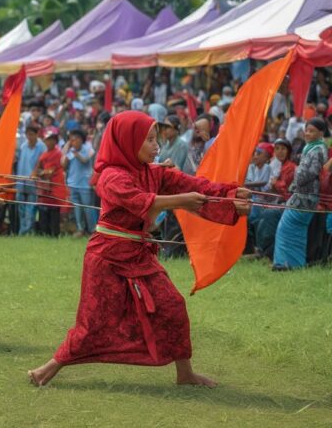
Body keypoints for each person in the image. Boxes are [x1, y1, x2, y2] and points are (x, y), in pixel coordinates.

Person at [27, 111, 251, 388]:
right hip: (106, 257)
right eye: (149, 139)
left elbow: (195, 185)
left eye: (156, 138)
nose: (156, 145)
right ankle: (47, 369)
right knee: (94, 322)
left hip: (138, 253)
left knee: (172, 305)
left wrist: (230, 194)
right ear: (127, 141)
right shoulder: (111, 177)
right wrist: (180, 201)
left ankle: (185, 375)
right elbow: (141, 201)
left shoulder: (152, 172)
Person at [273, 118, 329, 270]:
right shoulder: (313, 147)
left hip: (305, 195)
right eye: (307, 130)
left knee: (287, 227)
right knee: (296, 229)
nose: (308, 133)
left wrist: (297, 178)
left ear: (321, 133)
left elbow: (312, 172)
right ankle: (293, 264)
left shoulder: (318, 149)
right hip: (304, 194)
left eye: (312, 131)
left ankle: (286, 264)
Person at [62, 129, 96, 236]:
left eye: (74, 139)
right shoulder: (71, 151)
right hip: (73, 183)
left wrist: (76, 154)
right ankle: (80, 229)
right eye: (71, 140)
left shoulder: (88, 149)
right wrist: (66, 150)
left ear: (81, 139)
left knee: (88, 208)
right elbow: (63, 165)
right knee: (77, 208)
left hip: (85, 184)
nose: (72, 142)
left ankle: (92, 230)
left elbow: (85, 160)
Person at [34, 133, 68, 237]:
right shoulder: (44, 154)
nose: (48, 142)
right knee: (44, 211)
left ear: (55, 141)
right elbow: (38, 168)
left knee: (54, 210)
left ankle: (55, 234)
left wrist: (43, 173)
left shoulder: (58, 154)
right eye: (46, 140)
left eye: (50, 140)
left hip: (54, 186)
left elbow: (51, 170)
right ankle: (44, 233)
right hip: (44, 187)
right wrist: (38, 173)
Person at [16, 125, 46, 235]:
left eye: (32, 134)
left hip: (33, 182)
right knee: (21, 207)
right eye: (28, 134)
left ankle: (27, 230)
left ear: (36, 135)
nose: (29, 137)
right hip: (21, 180)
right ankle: (23, 229)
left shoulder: (42, 147)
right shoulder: (23, 146)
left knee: (31, 208)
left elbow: (43, 164)